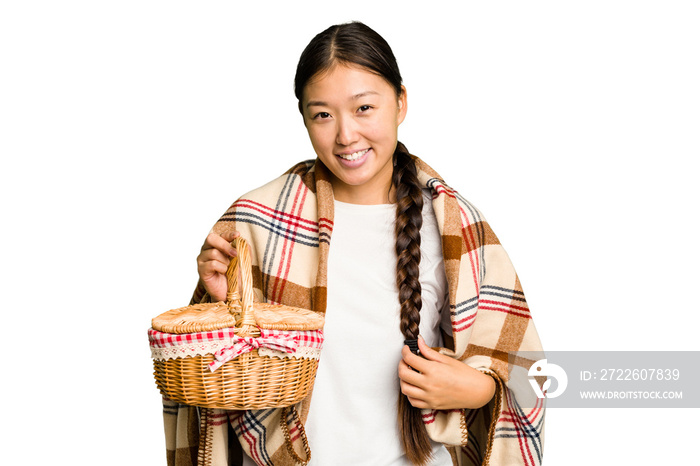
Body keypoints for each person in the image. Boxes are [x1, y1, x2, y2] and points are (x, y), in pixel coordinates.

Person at [162, 21, 545, 466]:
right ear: (304, 118)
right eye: (322, 114)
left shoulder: (453, 225)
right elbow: (202, 382)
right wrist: (226, 309)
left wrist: (477, 388)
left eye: (364, 107)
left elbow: (527, 373)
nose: (345, 136)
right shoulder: (255, 222)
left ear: (401, 102)